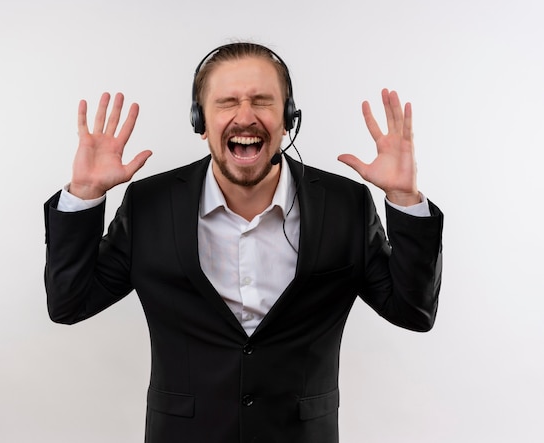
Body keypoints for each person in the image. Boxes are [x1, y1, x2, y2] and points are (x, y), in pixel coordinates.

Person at [44, 42, 443, 443]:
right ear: (200, 121)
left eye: (262, 101)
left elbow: (412, 312)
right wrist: (84, 193)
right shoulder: (151, 204)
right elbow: (70, 303)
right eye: (227, 102)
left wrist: (405, 200)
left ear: (288, 118)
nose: (245, 116)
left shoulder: (344, 205)